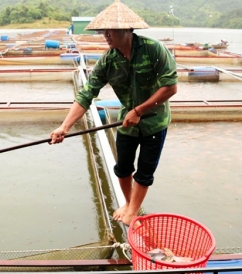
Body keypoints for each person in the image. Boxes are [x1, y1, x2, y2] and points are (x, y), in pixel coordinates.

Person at [49, 0, 178, 227]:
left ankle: (133, 212)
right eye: (103, 31)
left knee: (145, 172)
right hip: (126, 121)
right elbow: (86, 95)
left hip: (155, 122)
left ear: (127, 29)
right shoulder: (108, 61)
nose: (105, 35)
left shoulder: (154, 49)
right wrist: (64, 126)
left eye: (111, 30)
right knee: (123, 168)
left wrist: (139, 110)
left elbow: (170, 87)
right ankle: (129, 204)